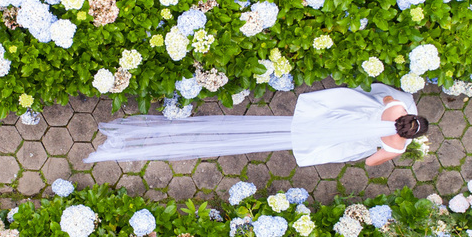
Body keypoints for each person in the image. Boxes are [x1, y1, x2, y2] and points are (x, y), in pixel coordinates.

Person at [85, 83, 429, 167]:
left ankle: (140, 132)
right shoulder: (397, 147)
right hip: (317, 140)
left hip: (317, 120)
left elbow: (381, 96)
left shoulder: (396, 106)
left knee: (256, 125)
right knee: (253, 140)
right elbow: (370, 161)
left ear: (411, 119)